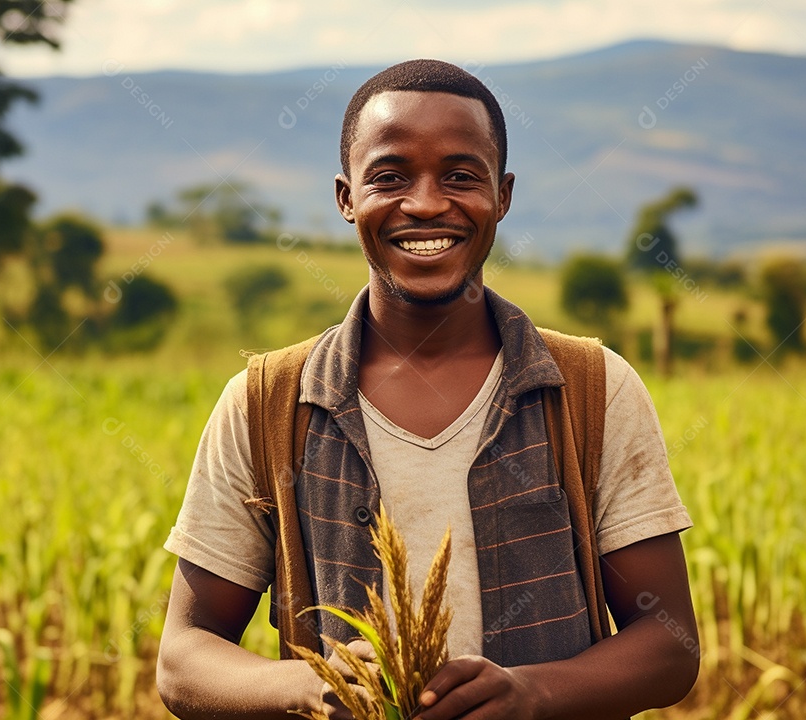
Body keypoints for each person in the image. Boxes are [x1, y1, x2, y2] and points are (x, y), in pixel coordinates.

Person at [157, 59, 699, 719]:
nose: (425, 203)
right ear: (346, 197)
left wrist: (534, 694)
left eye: (460, 176)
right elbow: (184, 659)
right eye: (389, 177)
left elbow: (670, 647)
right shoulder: (266, 404)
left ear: (502, 195)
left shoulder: (592, 390)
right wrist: (311, 688)